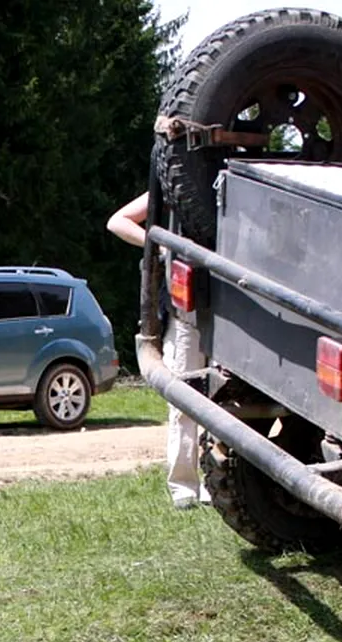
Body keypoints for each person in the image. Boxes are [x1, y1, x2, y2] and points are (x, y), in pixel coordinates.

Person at [106, 191, 208, 510]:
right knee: (184, 396)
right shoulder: (172, 184)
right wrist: (163, 247)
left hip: (227, 313)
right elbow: (117, 222)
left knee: (221, 400)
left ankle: (215, 481)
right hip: (184, 312)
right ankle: (184, 485)